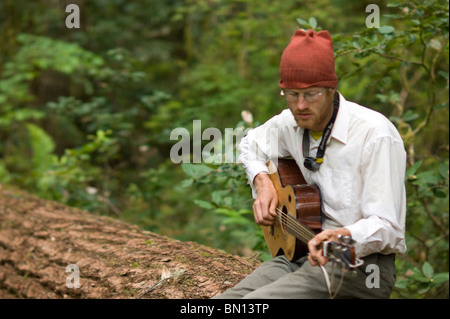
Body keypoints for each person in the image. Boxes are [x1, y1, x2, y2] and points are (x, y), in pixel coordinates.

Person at [214, 29, 407, 299]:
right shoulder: (288, 123)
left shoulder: (375, 135)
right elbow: (250, 144)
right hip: (299, 254)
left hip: (358, 265)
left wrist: (340, 236)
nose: (300, 105)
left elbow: (388, 227)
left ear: (331, 89)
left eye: (312, 94)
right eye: (291, 94)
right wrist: (262, 182)